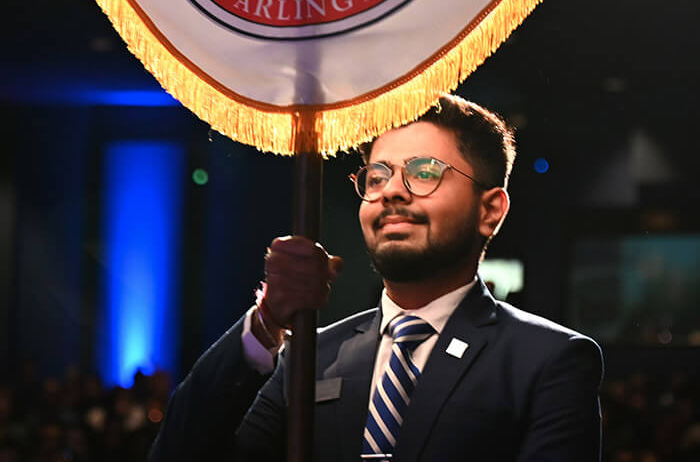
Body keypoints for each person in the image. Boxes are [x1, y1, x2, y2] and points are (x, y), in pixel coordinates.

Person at [149, 95, 603, 461]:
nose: (392, 191)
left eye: (425, 172)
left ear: (490, 210)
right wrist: (268, 321)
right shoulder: (310, 356)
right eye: (376, 177)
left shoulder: (548, 360)